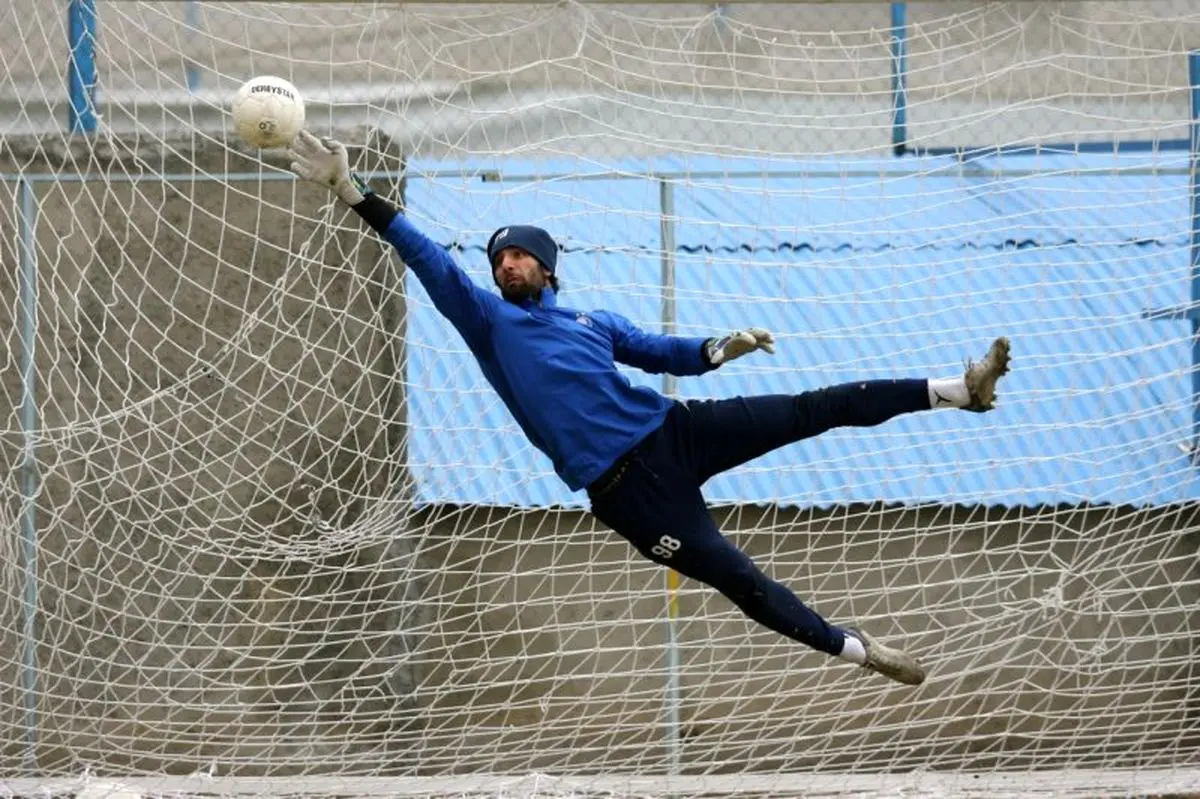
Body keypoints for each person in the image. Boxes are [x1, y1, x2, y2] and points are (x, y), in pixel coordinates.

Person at [288, 131, 1011, 687]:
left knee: (809, 407)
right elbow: (430, 260)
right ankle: (856, 647)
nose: (502, 264)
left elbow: (662, 352)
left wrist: (719, 346)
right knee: (739, 577)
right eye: (496, 258)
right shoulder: (487, 323)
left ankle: (956, 389)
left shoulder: (590, 322)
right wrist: (354, 191)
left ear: (546, 265)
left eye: (516, 256)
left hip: (674, 433)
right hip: (628, 493)